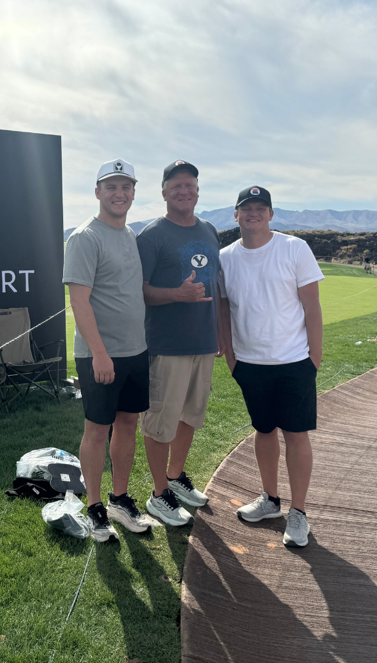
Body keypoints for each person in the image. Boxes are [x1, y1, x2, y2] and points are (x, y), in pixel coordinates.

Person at [218, 185, 324, 548]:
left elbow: (312, 306)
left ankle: (299, 513)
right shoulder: (225, 257)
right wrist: (231, 358)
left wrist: (314, 358)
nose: (254, 213)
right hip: (249, 363)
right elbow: (223, 308)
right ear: (236, 215)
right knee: (263, 432)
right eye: (247, 208)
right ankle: (270, 501)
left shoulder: (294, 248)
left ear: (271, 214)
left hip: (294, 361)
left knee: (295, 435)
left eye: (261, 208)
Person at [63, 159, 153, 542]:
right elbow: (79, 302)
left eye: (126, 187)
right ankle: (96, 506)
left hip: (136, 350)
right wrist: (99, 353)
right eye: (111, 187)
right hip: (100, 354)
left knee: (128, 424)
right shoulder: (85, 237)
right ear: (98, 192)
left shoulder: (130, 233)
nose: (120, 194)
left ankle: (119, 498)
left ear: (133, 192)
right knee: (97, 430)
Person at [134, 160, 221, 527]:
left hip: (203, 341)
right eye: (176, 186)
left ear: (198, 190)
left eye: (190, 185)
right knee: (160, 423)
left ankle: (175, 476)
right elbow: (139, 291)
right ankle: (158, 495)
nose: (184, 191)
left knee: (190, 416)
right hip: (166, 345)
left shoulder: (209, 230)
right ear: (164, 192)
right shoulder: (152, 235)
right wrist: (177, 294)